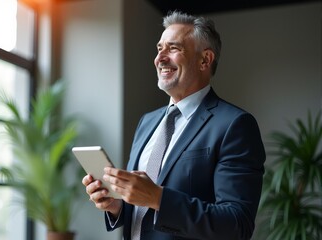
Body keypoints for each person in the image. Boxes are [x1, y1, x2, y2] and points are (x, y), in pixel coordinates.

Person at [82, 10, 265, 240]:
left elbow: (237, 225)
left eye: (174, 48)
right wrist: (117, 206)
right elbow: (143, 212)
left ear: (205, 60)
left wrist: (158, 197)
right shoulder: (147, 122)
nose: (160, 58)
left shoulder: (235, 125)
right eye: (159, 49)